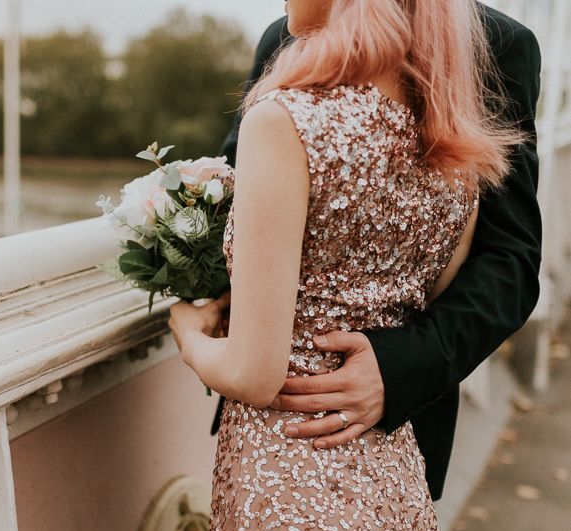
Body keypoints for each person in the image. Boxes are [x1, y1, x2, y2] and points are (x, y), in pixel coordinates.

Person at [167, 0, 535, 531]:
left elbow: (511, 261)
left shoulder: (499, 46)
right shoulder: (453, 151)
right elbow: (248, 202)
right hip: (393, 495)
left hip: (300, 465)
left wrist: (187, 331)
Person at [213, 2, 543, 504]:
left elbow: (511, 258)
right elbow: (242, 190)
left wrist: (399, 367)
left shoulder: (499, 43)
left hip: (400, 426)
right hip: (262, 431)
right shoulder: (283, 35)